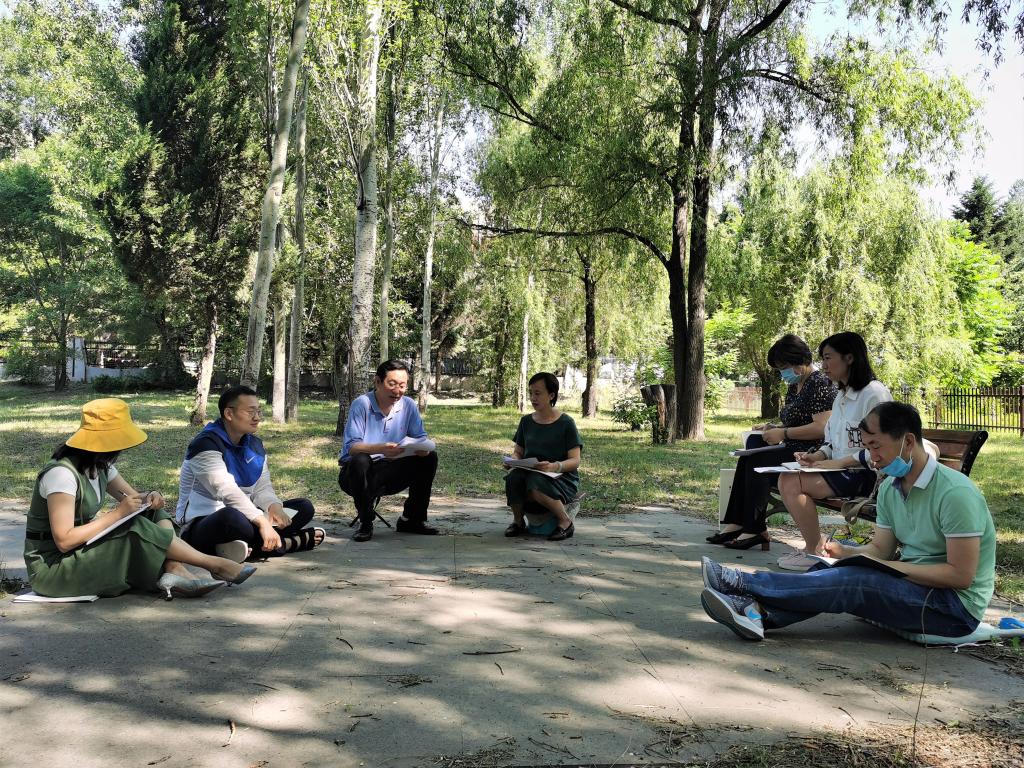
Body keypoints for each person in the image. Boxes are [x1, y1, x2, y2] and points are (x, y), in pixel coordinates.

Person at [699, 402, 996, 642]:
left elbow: (960, 576)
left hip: (953, 609)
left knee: (858, 582)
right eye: (867, 448)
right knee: (830, 569)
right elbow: (880, 550)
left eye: (877, 446)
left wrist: (889, 569)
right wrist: (845, 553)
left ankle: (743, 583)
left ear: (908, 441)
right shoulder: (891, 488)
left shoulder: (955, 493)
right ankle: (757, 613)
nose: (873, 458)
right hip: (916, 586)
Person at [24, 398, 255, 600]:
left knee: (151, 511)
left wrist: (150, 498)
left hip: (78, 553)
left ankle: (174, 568)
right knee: (134, 526)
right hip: (53, 569)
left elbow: (135, 500)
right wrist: (118, 514)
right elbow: (64, 540)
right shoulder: (61, 475)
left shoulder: (99, 466)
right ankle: (214, 564)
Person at [774, 331, 892, 571]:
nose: (824, 365)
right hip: (842, 471)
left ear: (849, 358)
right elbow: (832, 442)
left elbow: (886, 448)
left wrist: (840, 463)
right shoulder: (841, 396)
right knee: (787, 478)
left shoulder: (874, 394)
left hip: (868, 475)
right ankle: (815, 548)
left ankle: (814, 551)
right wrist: (817, 456)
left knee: (791, 482)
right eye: (823, 359)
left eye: (828, 358)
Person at [708, 334, 836, 551]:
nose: (782, 373)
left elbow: (821, 428)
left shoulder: (820, 384)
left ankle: (755, 528)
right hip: (791, 445)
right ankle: (738, 522)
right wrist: (772, 427)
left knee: (758, 460)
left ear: (799, 362)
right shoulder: (796, 385)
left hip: (810, 451)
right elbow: (796, 420)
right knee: (748, 457)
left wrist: (783, 433)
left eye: (784, 367)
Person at [176, 385, 324, 560]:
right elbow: (226, 491)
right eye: (251, 412)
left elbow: (262, 487)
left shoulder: (254, 444)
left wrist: (274, 507)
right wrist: (262, 523)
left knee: (304, 507)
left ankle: (241, 547)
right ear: (229, 414)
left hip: (246, 516)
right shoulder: (205, 445)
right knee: (231, 518)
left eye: (259, 411)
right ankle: (286, 543)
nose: (257, 417)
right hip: (204, 522)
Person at [338, 360, 439, 543]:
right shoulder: (362, 404)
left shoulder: (408, 405)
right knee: (360, 459)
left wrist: (422, 449)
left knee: (430, 458)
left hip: (392, 471)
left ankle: (411, 520)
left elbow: (420, 438)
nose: (397, 391)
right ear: (377, 382)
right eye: (392, 384)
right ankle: (365, 522)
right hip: (357, 475)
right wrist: (381, 449)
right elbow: (352, 447)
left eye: (402, 385)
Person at [504, 372, 583, 542]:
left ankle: (565, 522)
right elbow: (518, 451)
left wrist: (555, 466)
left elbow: (575, 461)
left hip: (561, 477)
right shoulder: (526, 422)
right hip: (531, 473)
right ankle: (518, 522)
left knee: (535, 482)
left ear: (551, 395)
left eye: (538, 393)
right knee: (513, 478)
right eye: (531, 393)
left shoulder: (566, 423)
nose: (533, 398)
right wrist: (513, 460)